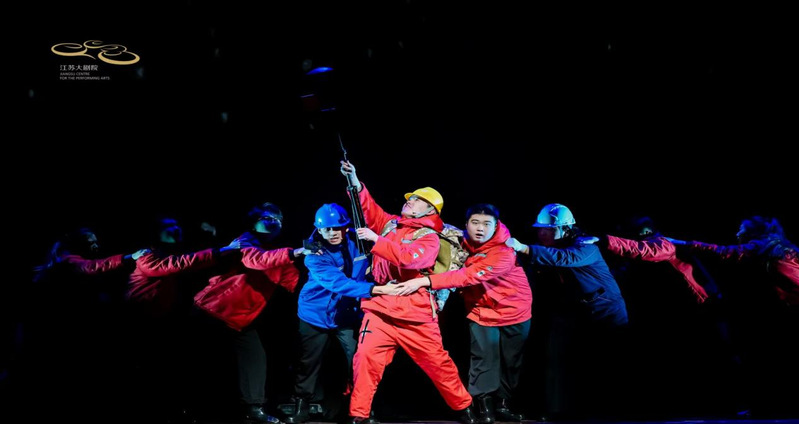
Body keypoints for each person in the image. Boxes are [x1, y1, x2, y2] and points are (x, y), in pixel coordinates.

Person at [339, 161, 477, 424]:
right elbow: (369, 209)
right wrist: (354, 182)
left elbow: (411, 259)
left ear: (430, 209)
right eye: (410, 198)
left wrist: (376, 240)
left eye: (417, 200)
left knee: (438, 365)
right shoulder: (392, 224)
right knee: (365, 359)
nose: (410, 201)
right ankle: (359, 414)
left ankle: (463, 407)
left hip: (415, 314)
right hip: (380, 309)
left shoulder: (430, 236)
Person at [393, 203, 532, 424]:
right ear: (466, 224)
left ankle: (503, 405)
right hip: (481, 311)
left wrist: (426, 281)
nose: (480, 228)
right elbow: (430, 226)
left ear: (496, 226)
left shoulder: (504, 251)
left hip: (515, 311)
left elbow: (467, 276)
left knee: (511, 361)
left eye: (486, 224)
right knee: (484, 358)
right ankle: (484, 405)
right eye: (475, 223)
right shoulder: (459, 240)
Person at [506, 203, 628, 421]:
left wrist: (525, 248)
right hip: (578, 311)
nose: (542, 233)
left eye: (548, 229)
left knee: (605, 366)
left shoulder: (585, 246)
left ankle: (608, 412)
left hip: (606, 313)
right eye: (540, 229)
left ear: (565, 229)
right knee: (562, 361)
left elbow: (564, 258)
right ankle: (560, 410)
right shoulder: (549, 249)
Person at [668, 216, 799, 418]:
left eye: (742, 229)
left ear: (755, 232)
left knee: (770, 358)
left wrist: (683, 243)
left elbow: (724, 252)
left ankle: (768, 406)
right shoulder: (782, 247)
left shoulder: (763, 245)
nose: (737, 233)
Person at [193, 202, 308, 424]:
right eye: (268, 218)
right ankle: (198, 409)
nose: (274, 223)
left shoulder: (280, 255)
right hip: (212, 310)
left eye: (279, 220)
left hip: (240, 319)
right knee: (207, 362)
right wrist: (295, 252)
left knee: (255, 358)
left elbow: (296, 284)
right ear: (254, 222)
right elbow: (256, 260)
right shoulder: (246, 241)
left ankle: (254, 408)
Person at [125, 217, 244, 423]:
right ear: (156, 233)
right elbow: (179, 264)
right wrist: (222, 250)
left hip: (165, 316)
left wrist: (215, 236)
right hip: (141, 318)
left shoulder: (175, 251)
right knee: (149, 367)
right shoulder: (146, 254)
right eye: (169, 226)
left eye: (177, 225)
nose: (176, 228)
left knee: (172, 366)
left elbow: (193, 258)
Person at [284, 203, 375, 424]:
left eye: (337, 228)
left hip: (346, 314)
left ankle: (361, 408)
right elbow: (338, 283)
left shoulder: (359, 241)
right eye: (327, 229)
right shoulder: (313, 252)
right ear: (319, 229)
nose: (332, 233)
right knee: (308, 362)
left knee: (358, 360)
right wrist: (375, 290)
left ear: (346, 227)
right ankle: (301, 406)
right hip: (314, 313)